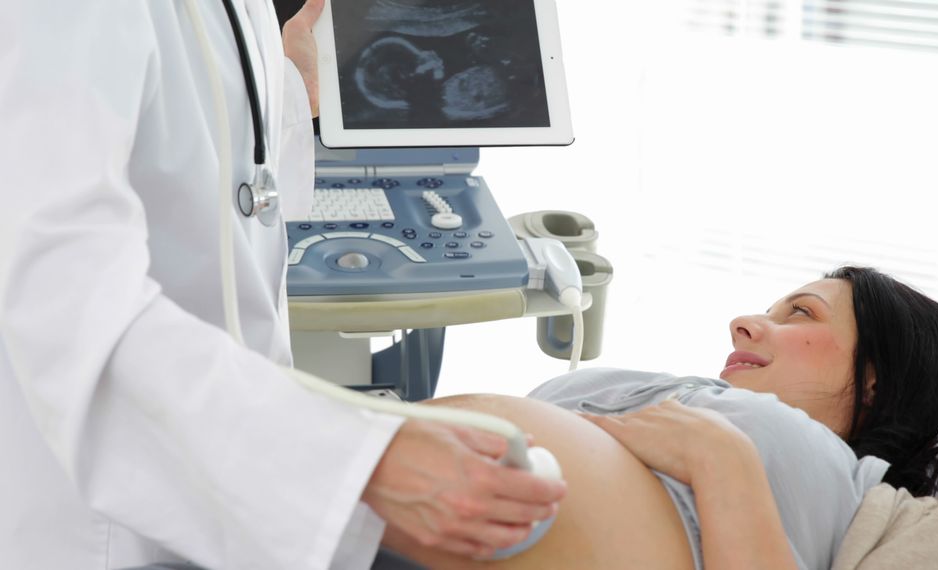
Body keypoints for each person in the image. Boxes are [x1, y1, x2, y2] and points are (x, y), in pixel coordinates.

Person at [0, 1, 565, 569]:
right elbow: (66, 308)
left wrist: (289, 90)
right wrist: (362, 463)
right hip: (104, 524)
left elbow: (212, 137)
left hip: (233, 484)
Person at [378, 266, 938, 569]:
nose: (743, 322)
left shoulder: (899, 517)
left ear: (876, 380)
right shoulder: (694, 394)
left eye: (803, 315)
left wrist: (724, 465)